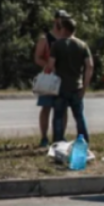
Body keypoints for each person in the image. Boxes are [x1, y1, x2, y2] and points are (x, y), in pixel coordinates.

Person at [46, 17, 93, 143]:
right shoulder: (82, 45)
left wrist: (53, 72)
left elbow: (50, 65)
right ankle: (83, 140)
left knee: (58, 116)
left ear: (65, 29)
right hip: (76, 86)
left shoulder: (57, 45)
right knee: (79, 116)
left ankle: (58, 141)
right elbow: (90, 66)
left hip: (61, 87)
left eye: (61, 28)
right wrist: (84, 87)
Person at [33, 9, 69, 147]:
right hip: (49, 78)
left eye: (65, 18)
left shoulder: (68, 37)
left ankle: (60, 137)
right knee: (46, 107)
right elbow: (37, 58)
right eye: (61, 18)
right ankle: (44, 137)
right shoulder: (45, 38)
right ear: (55, 20)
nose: (63, 21)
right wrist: (49, 65)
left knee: (63, 108)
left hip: (64, 78)